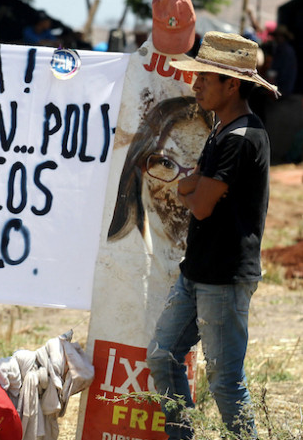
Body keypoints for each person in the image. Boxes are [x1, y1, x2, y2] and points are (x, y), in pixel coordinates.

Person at [146, 31, 278, 440]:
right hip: (198, 271)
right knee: (162, 356)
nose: (195, 84)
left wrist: (189, 187)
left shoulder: (240, 138)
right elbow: (196, 191)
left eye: (204, 77)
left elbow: (198, 201)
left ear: (231, 84)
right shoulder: (222, 132)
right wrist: (193, 187)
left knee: (224, 383)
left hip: (224, 277)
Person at [108, 96, 213, 263]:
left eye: (197, 168)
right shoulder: (114, 259)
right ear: (139, 164)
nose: (180, 185)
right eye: (166, 163)